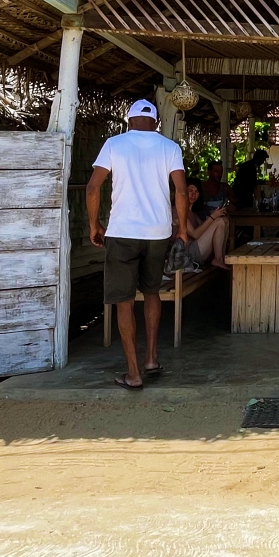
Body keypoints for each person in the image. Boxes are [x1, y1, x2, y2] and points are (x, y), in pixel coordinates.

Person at [86, 99, 190, 389]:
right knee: (152, 292)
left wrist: (94, 225)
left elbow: (94, 187)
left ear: (129, 121)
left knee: (125, 302)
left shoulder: (114, 144)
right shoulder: (170, 147)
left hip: (122, 234)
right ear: (155, 123)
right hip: (157, 233)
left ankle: (133, 373)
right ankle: (151, 358)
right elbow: (181, 191)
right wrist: (182, 229)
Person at [181, 182, 231, 271]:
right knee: (220, 221)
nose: (193, 194)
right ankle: (218, 259)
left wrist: (215, 215)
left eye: (196, 192)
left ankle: (221, 258)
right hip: (186, 254)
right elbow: (195, 234)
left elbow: (205, 229)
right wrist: (213, 217)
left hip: (196, 250)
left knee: (224, 220)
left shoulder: (193, 214)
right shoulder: (179, 212)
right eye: (190, 191)